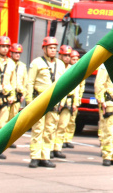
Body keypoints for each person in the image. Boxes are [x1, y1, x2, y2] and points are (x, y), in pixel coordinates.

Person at [28, 36, 65, 168]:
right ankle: (35, 156)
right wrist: (28, 101)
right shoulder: (37, 63)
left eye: (55, 48)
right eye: (50, 48)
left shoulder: (60, 64)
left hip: (54, 102)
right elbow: (30, 82)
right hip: (39, 101)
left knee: (50, 130)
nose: (53, 50)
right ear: (44, 48)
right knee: (38, 129)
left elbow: (63, 84)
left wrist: (62, 101)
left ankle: (45, 156)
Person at [53, 44, 75, 156]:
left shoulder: (72, 68)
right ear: (60, 55)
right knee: (52, 126)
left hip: (68, 102)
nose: (67, 57)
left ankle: (57, 148)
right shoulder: (56, 66)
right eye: (64, 55)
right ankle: (50, 148)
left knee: (62, 126)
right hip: (57, 101)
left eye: (68, 55)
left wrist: (75, 103)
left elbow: (75, 87)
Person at [61, 49, 84, 149]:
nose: (75, 61)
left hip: (74, 100)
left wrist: (78, 100)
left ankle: (68, 139)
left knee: (71, 121)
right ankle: (61, 141)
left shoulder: (80, 71)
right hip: (65, 99)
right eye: (73, 59)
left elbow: (80, 87)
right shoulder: (66, 69)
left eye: (76, 59)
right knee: (62, 122)